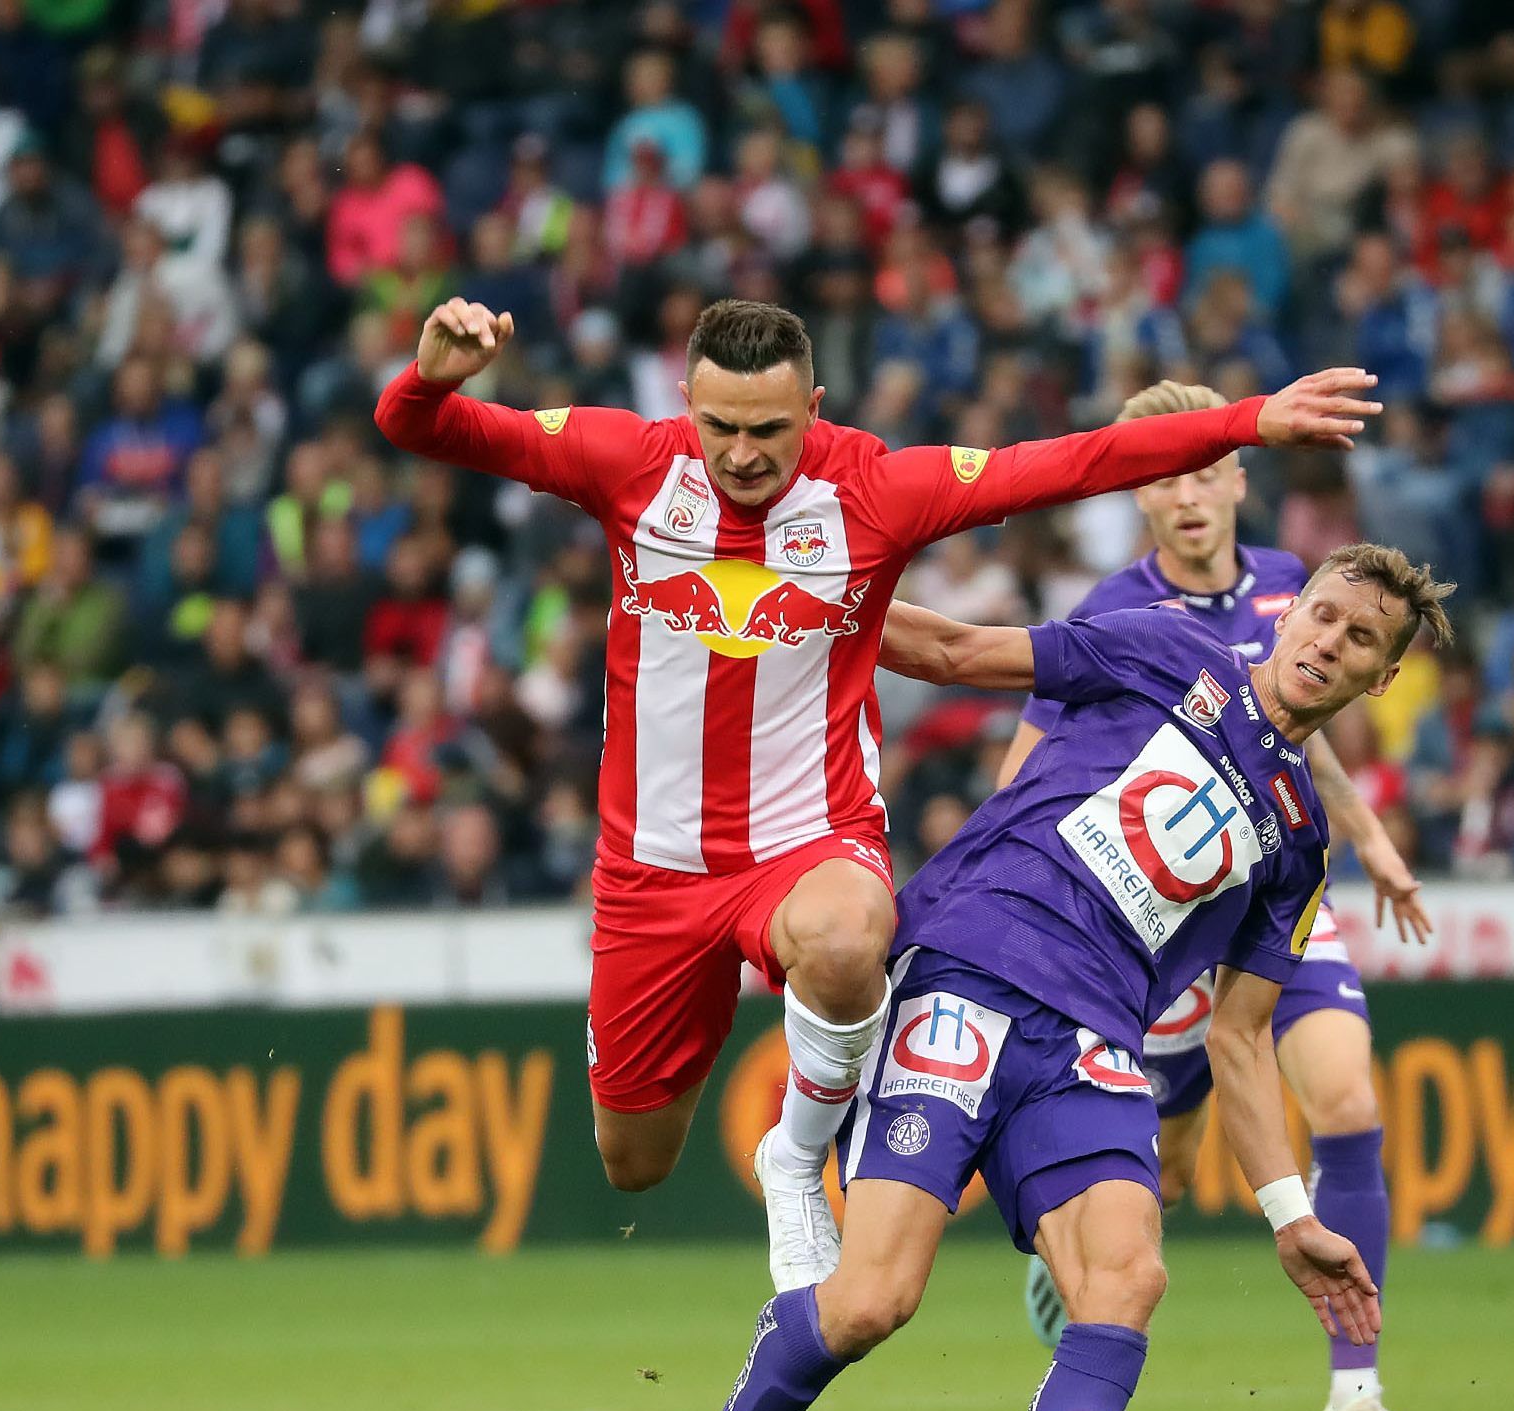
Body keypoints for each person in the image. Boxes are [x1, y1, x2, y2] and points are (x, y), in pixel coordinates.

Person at [374, 295, 1382, 1290]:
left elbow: (1068, 462)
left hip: (806, 841)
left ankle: (794, 1157)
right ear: (684, 403)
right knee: (633, 1160)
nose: (741, 455)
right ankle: (745, 1115)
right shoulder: (627, 461)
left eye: (769, 430)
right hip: (651, 867)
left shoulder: (875, 489)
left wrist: (1247, 419)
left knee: (852, 932)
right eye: (720, 427)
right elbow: (416, 425)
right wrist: (428, 378)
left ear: (812, 409)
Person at [625, 544, 1453, 1411]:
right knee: (872, 1300)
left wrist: (1289, 1214)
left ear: (1382, 677)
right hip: (964, 969)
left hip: (1092, 1043)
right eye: (1326, 615)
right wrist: (791, 605)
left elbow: (1242, 1038)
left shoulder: (1298, 838)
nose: (1330, 642)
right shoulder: (1167, 648)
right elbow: (956, 651)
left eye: (1360, 639)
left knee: (1127, 1278)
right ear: (1289, 609)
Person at [994, 382, 1428, 1411]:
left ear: (1237, 477)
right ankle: (1066, 1265)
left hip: (1276, 893)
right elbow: (1032, 749)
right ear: (1138, 496)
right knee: (1171, 1176)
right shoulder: (1115, 606)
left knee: (1346, 1100)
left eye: (1202, 471)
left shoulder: (1295, 584)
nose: (1186, 495)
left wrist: (1369, 838)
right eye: (1161, 476)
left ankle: (1355, 1396)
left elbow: (1305, 734)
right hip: (1167, 917)